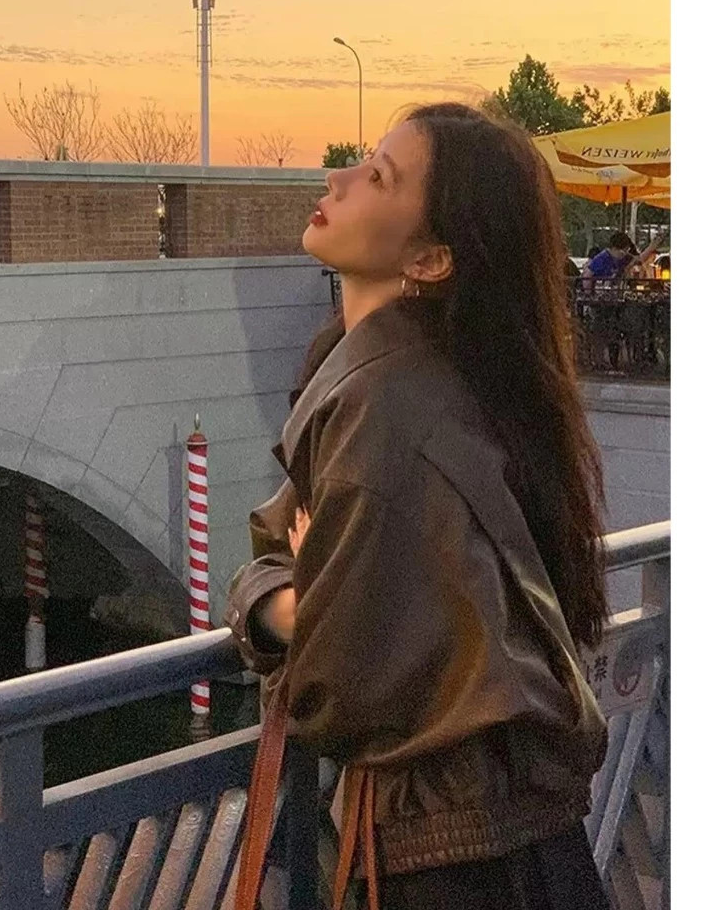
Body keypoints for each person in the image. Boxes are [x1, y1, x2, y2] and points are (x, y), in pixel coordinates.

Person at [224, 103, 611, 909]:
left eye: (377, 176)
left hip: (452, 862)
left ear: (431, 259)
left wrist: (286, 610)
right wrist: (294, 593)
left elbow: (333, 694)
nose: (336, 178)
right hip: (512, 834)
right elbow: (284, 541)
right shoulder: (423, 374)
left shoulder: (387, 404)